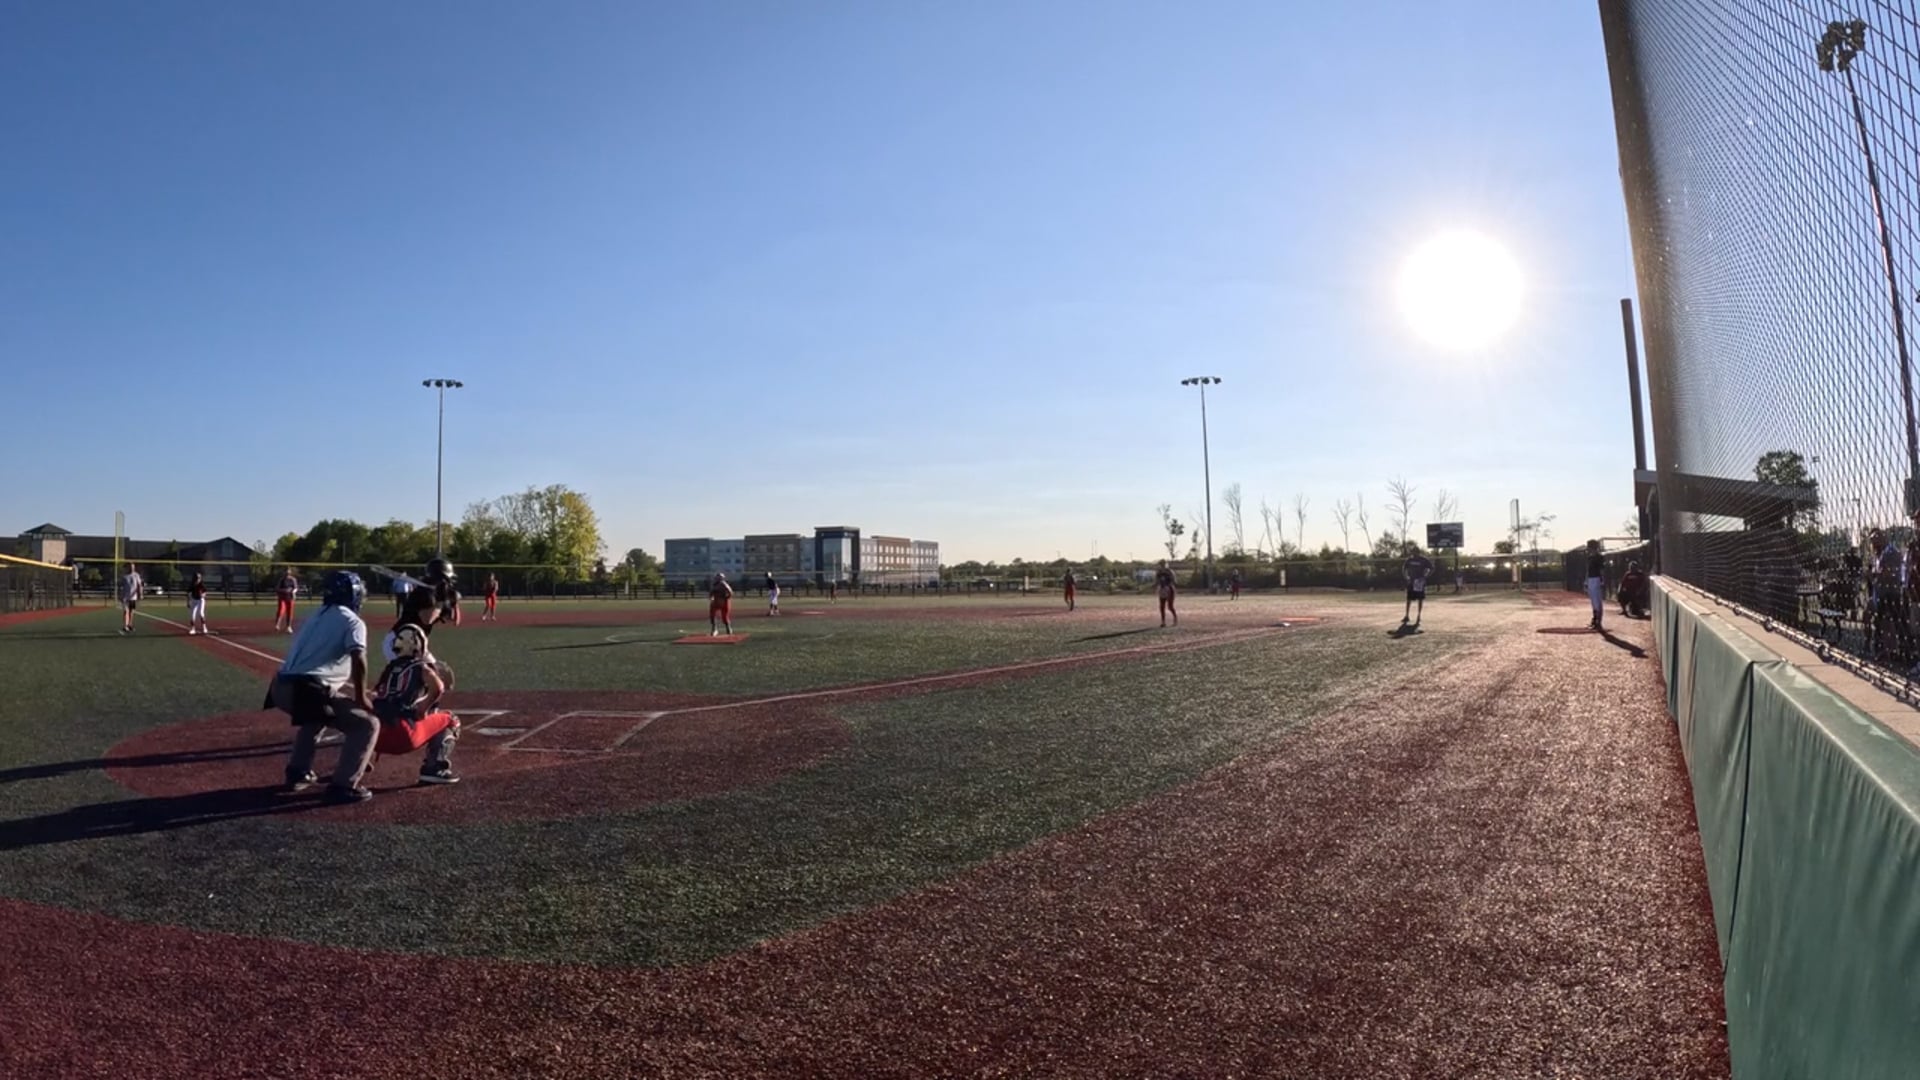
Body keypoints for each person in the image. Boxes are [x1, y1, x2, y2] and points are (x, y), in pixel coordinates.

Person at [267, 570, 379, 804]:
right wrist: (361, 697)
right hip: (306, 690)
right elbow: (359, 658)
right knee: (366, 724)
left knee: (316, 716)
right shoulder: (352, 621)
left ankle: (298, 772)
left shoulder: (314, 615)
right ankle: (344, 785)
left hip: (279, 687)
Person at [372, 624, 460, 785]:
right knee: (450, 719)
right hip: (404, 734)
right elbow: (438, 687)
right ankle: (434, 768)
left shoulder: (389, 669)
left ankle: (356, 765)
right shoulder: (420, 667)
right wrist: (423, 708)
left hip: (376, 736)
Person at [1403, 547, 1435, 626]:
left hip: (1419, 582)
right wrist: (1406, 577)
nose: (1414, 553)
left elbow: (1432, 568)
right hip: (1411, 581)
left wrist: (1426, 576)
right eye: (1413, 552)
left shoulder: (1423, 560)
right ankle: (1407, 615)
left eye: (1415, 552)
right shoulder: (1409, 560)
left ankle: (1419, 615)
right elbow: (1404, 568)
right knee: (1409, 598)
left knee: (1420, 599)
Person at [1584, 539, 1607, 631]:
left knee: (1597, 601)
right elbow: (1588, 570)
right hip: (1590, 579)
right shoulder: (1590, 557)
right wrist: (1586, 581)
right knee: (1593, 601)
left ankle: (1598, 622)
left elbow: (1602, 570)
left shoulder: (1599, 557)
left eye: (1590, 547)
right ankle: (1595, 620)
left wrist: (1603, 580)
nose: (1588, 549)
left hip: (1597, 579)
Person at [120, 563, 144, 633]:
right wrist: (121, 595)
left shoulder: (136, 575)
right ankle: (125, 626)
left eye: (133, 567)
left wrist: (140, 594)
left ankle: (130, 625)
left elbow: (139, 585)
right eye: (130, 567)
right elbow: (121, 587)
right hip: (125, 597)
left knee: (131, 611)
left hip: (133, 597)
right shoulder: (125, 576)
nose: (132, 568)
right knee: (126, 611)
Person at [274, 569, 299, 634]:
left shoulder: (293, 579)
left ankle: (288, 626)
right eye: (286, 574)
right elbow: (277, 588)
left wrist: (293, 592)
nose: (287, 575)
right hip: (282, 597)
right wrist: (284, 590)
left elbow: (296, 588)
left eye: (288, 574)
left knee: (290, 612)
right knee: (281, 610)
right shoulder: (282, 580)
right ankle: (277, 625)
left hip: (290, 597)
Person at [1154, 560, 1178, 627]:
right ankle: (1163, 622)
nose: (1162, 566)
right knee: (1162, 606)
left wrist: (1169, 585)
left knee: (1170, 606)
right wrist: (1156, 586)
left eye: (1163, 564)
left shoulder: (1170, 571)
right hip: (1162, 589)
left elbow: (1174, 581)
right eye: (1161, 564)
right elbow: (1157, 581)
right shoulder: (1158, 572)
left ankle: (1175, 618)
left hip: (1169, 589)